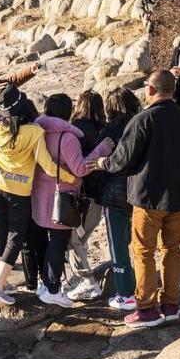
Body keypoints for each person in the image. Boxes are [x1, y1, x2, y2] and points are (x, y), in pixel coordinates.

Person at [97, 70, 180, 328]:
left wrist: (103, 162)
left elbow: (122, 160)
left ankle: (147, 309)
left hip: (148, 199)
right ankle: (171, 305)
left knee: (143, 252)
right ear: (173, 89)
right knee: (172, 249)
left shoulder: (142, 119)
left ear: (150, 90)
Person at [0, 84, 75, 305]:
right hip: (18, 190)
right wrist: (72, 178)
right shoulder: (33, 132)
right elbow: (49, 166)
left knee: (2, 231)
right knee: (16, 236)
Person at [27, 94, 114, 308]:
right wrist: (101, 150)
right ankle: (53, 288)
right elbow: (80, 169)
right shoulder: (67, 138)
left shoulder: (37, 131)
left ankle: (46, 285)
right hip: (61, 199)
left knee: (48, 242)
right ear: (67, 112)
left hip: (39, 196)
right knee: (58, 243)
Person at [96, 88, 143, 311]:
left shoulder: (109, 129)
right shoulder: (143, 124)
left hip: (115, 194)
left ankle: (125, 293)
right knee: (142, 244)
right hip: (141, 192)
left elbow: (101, 160)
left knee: (118, 246)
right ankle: (144, 287)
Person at [64, 91, 108, 300]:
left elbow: (77, 164)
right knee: (81, 238)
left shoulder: (77, 130)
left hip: (81, 194)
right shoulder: (105, 128)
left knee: (73, 239)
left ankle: (87, 281)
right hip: (101, 194)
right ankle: (78, 279)